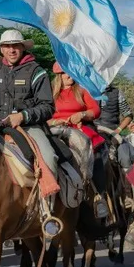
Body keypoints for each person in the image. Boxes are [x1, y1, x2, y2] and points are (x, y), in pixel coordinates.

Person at [0, 29, 57, 179]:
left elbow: (48, 107)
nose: (11, 50)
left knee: (49, 158)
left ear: (23, 47)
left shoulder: (37, 72)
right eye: (7, 46)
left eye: (16, 46)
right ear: (1, 49)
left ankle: (48, 200)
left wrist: (22, 116)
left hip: (28, 127)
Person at [49, 62, 106, 198]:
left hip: (79, 128)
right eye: (64, 73)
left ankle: (97, 194)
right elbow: (43, 113)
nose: (69, 76)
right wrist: (54, 121)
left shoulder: (82, 89)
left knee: (94, 153)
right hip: (55, 128)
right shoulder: (49, 91)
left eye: (71, 72)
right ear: (58, 75)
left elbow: (96, 110)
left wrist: (82, 114)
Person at [97, 82, 134, 171]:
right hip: (93, 130)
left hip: (112, 133)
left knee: (125, 158)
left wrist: (118, 130)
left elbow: (128, 115)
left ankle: (127, 182)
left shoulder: (117, 92)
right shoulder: (87, 90)